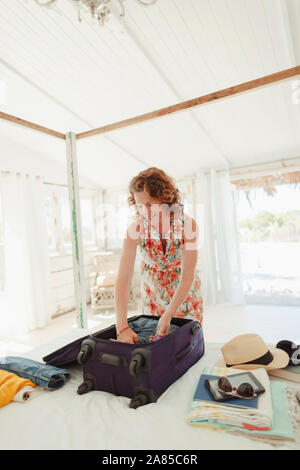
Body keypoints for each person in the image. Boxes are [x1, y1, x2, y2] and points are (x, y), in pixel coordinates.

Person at [115, 167, 203, 344]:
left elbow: (187, 275)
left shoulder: (188, 225)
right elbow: (123, 279)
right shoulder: (135, 230)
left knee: (184, 351)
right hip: (153, 302)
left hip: (185, 301)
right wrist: (122, 327)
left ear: (165, 198)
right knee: (157, 356)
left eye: (149, 204)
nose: (144, 211)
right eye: (139, 205)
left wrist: (169, 314)